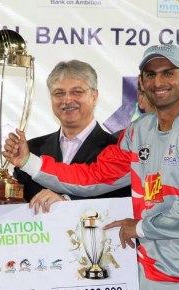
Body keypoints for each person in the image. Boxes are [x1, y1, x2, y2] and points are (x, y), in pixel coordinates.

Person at [3, 44, 179, 290]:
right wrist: (29, 162)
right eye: (150, 75)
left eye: (167, 74)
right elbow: (93, 177)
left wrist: (138, 228)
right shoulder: (139, 132)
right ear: (141, 82)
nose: (158, 83)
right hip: (145, 277)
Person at [15, 59, 129, 224]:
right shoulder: (31, 150)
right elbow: (17, 201)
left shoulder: (117, 149)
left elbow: (122, 200)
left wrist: (67, 202)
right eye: (59, 93)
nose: (67, 100)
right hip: (39, 246)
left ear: (94, 96)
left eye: (77, 92)